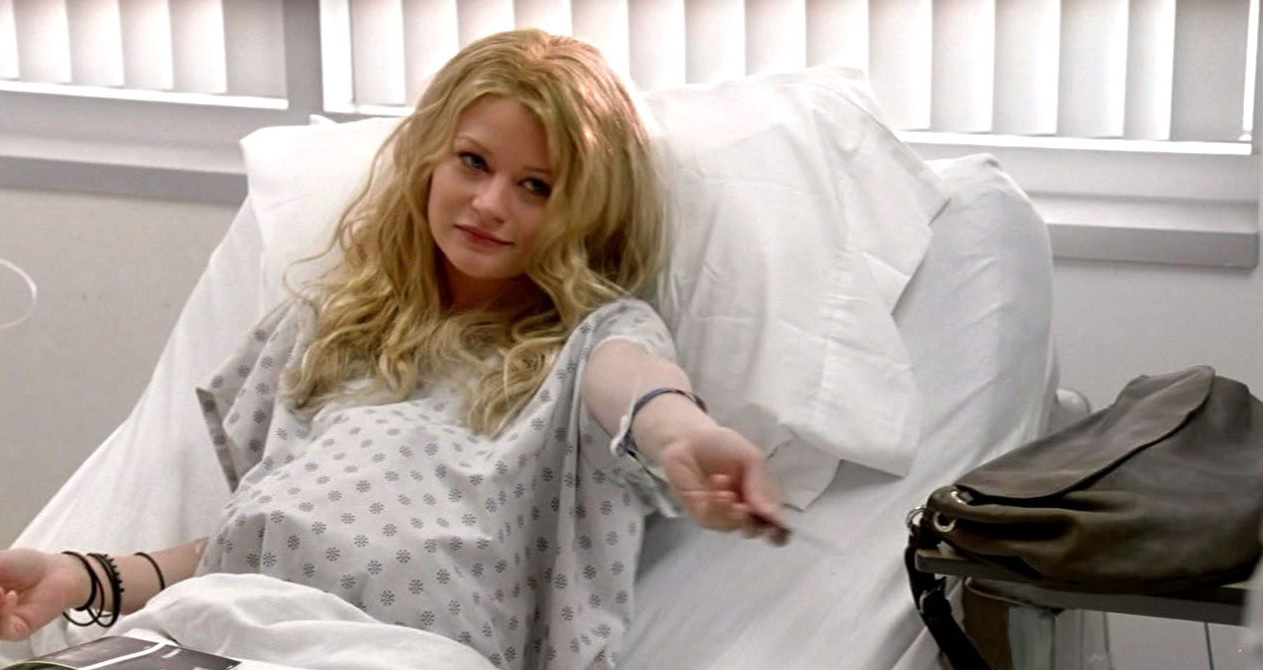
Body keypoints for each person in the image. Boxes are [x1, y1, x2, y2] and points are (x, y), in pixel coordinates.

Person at [0, 29, 787, 668]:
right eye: (473, 162)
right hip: (210, 629)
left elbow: (639, 388)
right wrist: (84, 576)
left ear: (587, 210)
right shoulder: (330, 326)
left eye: (536, 186)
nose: (489, 203)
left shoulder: (590, 340)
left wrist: (683, 434)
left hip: (401, 653)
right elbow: (252, 544)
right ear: (429, 158)